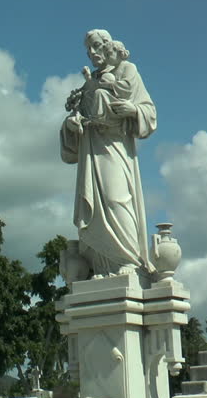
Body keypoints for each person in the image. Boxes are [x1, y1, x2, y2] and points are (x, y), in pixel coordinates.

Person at [60, 29, 156, 277]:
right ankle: (101, 266)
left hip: (114, 147)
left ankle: (129, 262)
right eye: (88, 49)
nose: (92, 53)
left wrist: (133, 110)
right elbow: (77, 117)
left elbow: (149, 112)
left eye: (96, 46)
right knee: (92, 209)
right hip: (91, 150)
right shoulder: (89, 82)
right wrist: (72, 125)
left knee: (116, 199)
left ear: (108, 45)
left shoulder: (128, 70)